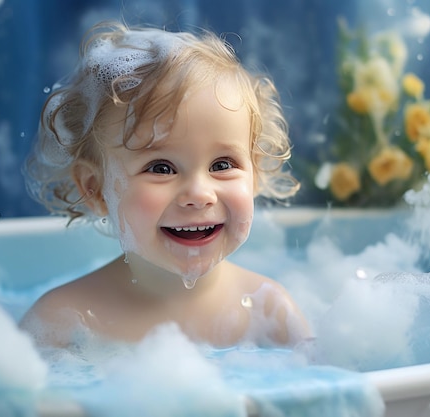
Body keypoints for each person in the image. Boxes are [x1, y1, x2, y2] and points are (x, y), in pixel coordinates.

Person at [20, 20, 311, 348]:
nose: (200, 194)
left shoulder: (270, 311)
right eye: (161, 168)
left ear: (255, 174)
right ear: (95, 189)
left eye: (222, 165)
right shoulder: (62, 322)